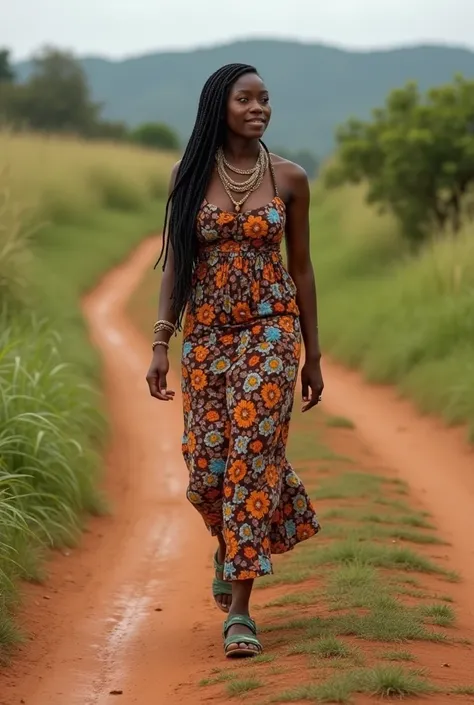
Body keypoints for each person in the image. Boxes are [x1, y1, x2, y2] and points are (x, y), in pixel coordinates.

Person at [146, 63, 323, 658]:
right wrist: (161, 341)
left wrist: (312, 356)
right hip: (208, 336)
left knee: (249, 456)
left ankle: (241, 612)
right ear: (218, 106)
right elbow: (176, 264)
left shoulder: (290, 178)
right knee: (206, 474)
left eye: (265, 99)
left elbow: (301, 268)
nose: (258, 108)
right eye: (245, 99)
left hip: (272, 332)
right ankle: (232, 542)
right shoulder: (189, 174)